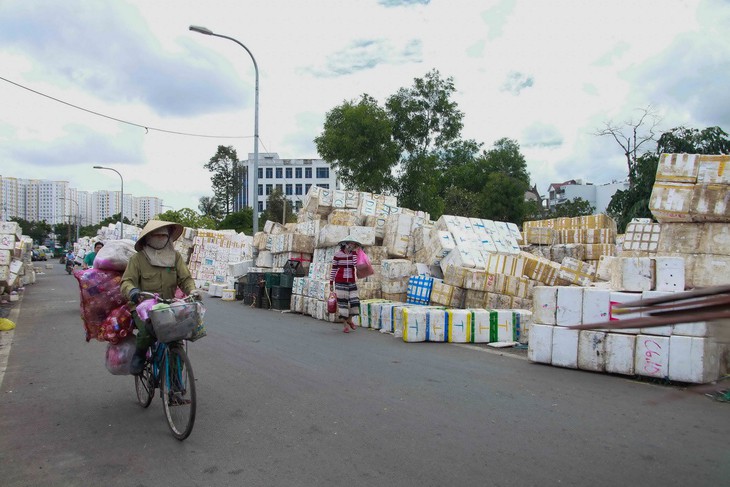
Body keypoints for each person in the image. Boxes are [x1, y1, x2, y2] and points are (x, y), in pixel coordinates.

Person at [120, 220, 199, 374]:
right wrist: (133, 292)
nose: (162, 238)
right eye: (158, 235)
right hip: (143, 307)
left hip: (167, 304)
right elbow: (126, 282)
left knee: (178, 335)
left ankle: (176, 386)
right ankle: (140, 355)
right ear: (149, 237)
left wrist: (192, 291)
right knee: (148, 330)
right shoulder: (137, 259)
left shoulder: (175, 257)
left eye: (165, 235)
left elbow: (185, 279)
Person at [329, 237, 363, 333]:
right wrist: (331, 282)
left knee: (355, 301)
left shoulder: (354, 254)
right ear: (346, 244)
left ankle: (350, 320)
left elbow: (356, 265)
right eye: (352, 244)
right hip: (340, 282)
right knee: (343, 304)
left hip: (351, 281)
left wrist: (355, 253)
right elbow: (334, 269)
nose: (353, 246)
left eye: (354, 244)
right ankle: (345, 326)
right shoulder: (337, 255)